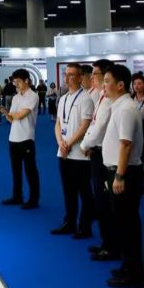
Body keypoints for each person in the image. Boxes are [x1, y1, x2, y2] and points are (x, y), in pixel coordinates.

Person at [101, 64, 144, 288]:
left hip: (125, 173)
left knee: (128, 224)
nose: (103, 85)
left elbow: (126, 145)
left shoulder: (126, 109)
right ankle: (128, 266)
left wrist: (119, 176)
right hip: (119, 171)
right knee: (123, 223)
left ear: (120, 85)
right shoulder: (119, 106)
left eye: (107, 81)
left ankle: (135, 274)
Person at [80, 59, 119, 262]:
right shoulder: (100, 96)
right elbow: (94, 124)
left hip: (104, 153)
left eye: (95, 74)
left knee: (105, 202)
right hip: (97, 151)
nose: (92, 77)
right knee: (101, 201)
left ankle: (112, 245)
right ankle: (107, 242)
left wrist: (84, 145)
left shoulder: (110, 100)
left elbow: (99, 127)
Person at [51, 63, 95, 238]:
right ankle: (69, 222)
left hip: (79, 154)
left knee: (84, 192)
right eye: (66, 74)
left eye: (71, 75)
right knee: (68, 191)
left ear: (80, 77)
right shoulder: (63, 98)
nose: (67, 78)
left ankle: (85, 226)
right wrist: (60, 143)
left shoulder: (86, 99)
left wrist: (68, 143)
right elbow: (58, 123)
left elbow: (85, 126)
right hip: (63, 152)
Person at [0, 69, 40, 209]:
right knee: (16, 170)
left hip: (26, 138)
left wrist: (9, 114)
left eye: (18, 81)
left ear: (26, 81)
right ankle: (17, 196)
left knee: (30, 170)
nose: (15, 84)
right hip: (13, 137)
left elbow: (20, 115)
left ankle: (33, 199)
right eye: (14, 82)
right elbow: (12, 119)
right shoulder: (16, 97)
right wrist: (6, 114)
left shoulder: (33, 96)